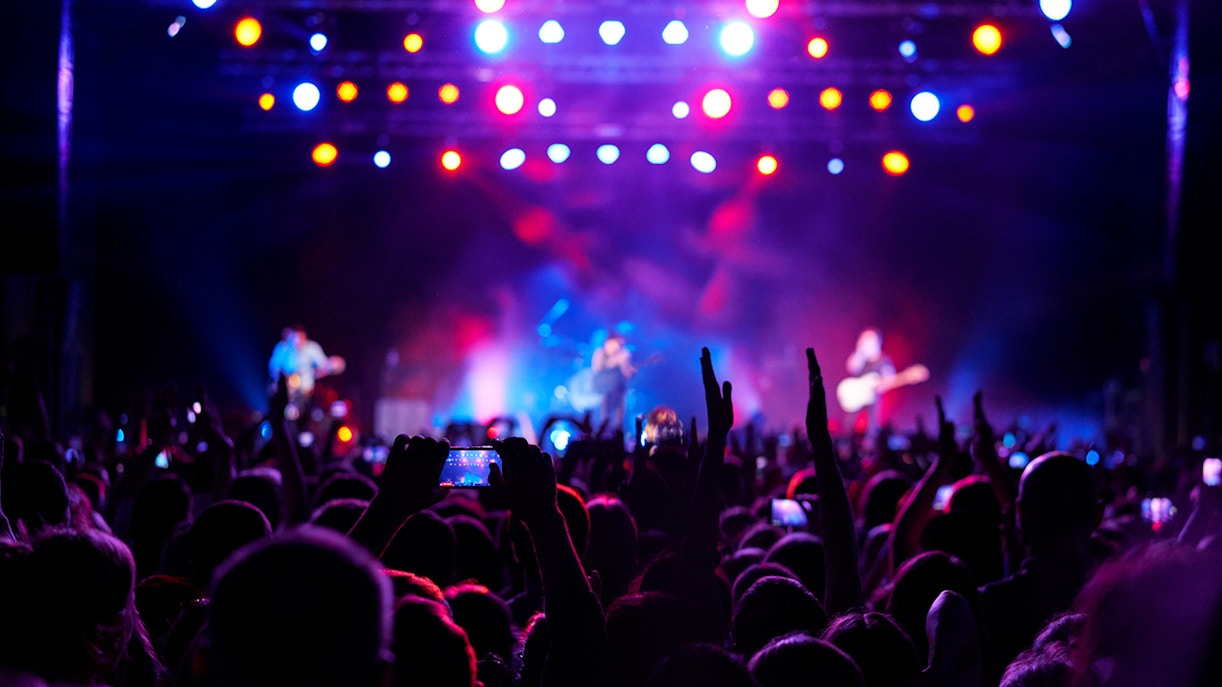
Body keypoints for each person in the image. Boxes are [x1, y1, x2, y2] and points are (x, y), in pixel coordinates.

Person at [267, 325, 345, 407]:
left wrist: (332, 364)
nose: (299, 342)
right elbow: (273, 367)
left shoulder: (312, 348)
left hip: (303, 391)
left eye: (302, 338)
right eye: (296, 338)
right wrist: (285, 379)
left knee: (297, 411)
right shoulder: (282, 347)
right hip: (282, 387)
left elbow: (323, 364)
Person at [843, 327, 897, 440]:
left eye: (867, 338)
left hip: (874, 399)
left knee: (872, 427)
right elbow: (852, 368)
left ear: (877, 342)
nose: (863, 341)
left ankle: (870, 447)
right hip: (857, 397)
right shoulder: (862, 359)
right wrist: (859, 351)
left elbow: (890, 379)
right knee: (848, 424)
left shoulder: (884, 360)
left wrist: (881, 385)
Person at [591, 331, 635, 434]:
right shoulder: (600, 353)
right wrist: (614, 361)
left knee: (618, 418)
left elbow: (626, 373)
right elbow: (596, 369)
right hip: (603, 391)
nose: (618, 346)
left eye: (621, 344)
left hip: (618, 391)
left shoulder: (624, 354)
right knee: (603, 417)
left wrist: (629, 369)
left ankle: (617, 435)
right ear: (609, 342)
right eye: (617, 343)